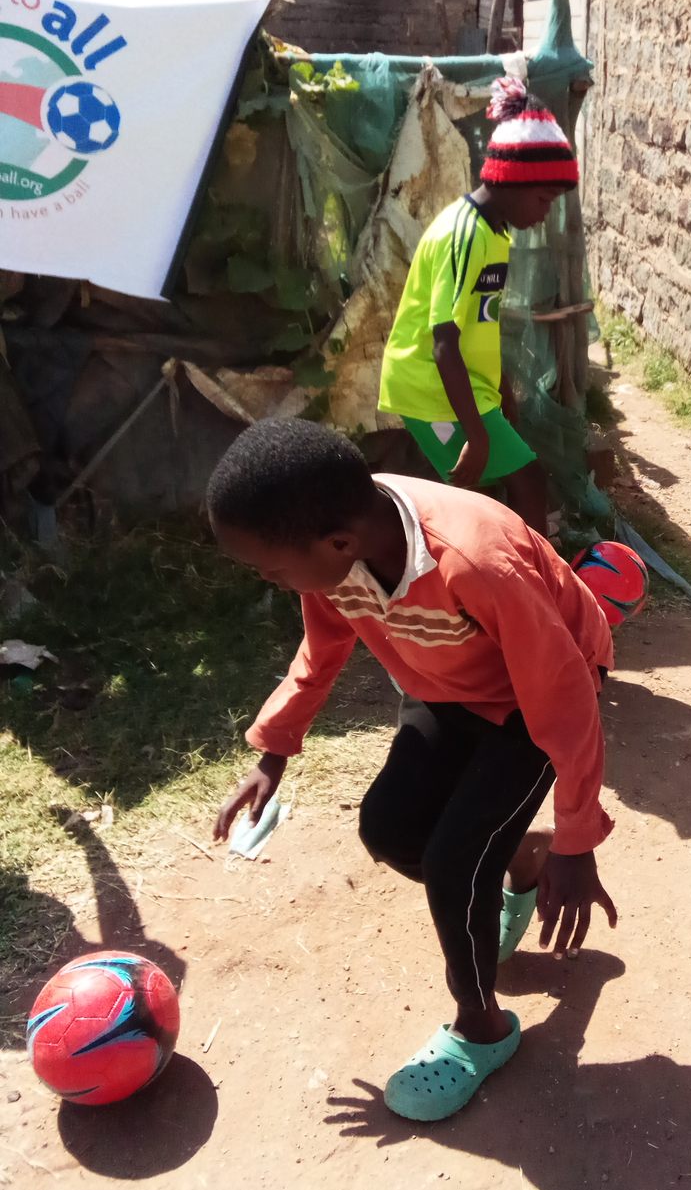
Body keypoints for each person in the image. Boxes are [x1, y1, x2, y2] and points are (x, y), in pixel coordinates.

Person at [206, 418, 617, 1121]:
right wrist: (275, 749)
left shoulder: (475, 562)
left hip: (537, 693)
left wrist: (578, 843)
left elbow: (566, 703)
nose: (271, 581)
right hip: (449, 682)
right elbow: (322, 647)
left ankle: (481, 1026)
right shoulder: (336, 542)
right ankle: (517, 858)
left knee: (456, 863)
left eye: (271, 570)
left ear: (339, 544)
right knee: (390, 829)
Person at [378, 76, 579, 535]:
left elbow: (479, 324)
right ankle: (530, 575)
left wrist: (500, 387)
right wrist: (478, 433)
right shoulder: (465, 235)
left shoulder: (495, 233)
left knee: (482, 495)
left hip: (465, 385)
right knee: (523, 480)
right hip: (429, 387)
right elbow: (444, 342)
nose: (545, 214)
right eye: (544, 199)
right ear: (514, 180)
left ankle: (490, 568)